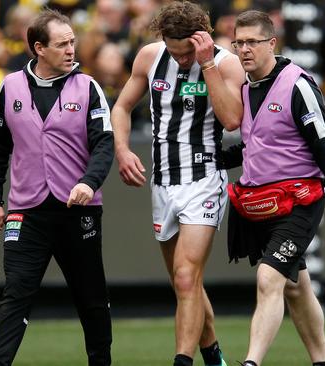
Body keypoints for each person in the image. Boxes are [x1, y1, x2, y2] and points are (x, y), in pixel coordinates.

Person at [227, 10, 325, 366]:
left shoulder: (297, 85)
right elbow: (254, 146)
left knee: (268, 277)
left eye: (252, 42)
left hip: (299, 201)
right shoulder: (245, 89)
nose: (244, 50)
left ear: (271, 44)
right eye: (238, 43)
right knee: (295, 288)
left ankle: (251, 362)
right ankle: (323, 362)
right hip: (260, 204)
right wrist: (207, 158)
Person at [110, 2, 244, 366]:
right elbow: (121, 108)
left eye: (187, 52)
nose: (181, 59)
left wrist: (207, 64)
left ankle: (182, 361)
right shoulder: (150, 57)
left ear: (202, 38)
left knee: (186, 279)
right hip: (163, 182)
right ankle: (213, 354)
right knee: (186, 283)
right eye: (175, 51)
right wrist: (121, 150)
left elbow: (232, 119)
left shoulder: (226, 62)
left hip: (203, 179)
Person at [0, 9, 113, 366]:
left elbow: (104, 144)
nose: (72, 50)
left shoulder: (89, 87)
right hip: (26, 211)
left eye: (73, 42)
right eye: (62, 44)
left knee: (91, 298)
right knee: (16, 292)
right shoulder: (10, 87)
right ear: (39, 48)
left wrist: (89, 181)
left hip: (77, 210)